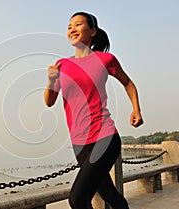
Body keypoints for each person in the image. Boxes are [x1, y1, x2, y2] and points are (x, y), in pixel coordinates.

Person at [44, 12, 143, 209]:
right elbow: (49, 101)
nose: (72, 29)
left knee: (77, 199)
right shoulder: (62, 65)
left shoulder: (105, 59)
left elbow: (128, 83)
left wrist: (136, 110)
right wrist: (51, 80)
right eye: (69, 26)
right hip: (79, 141)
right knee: (108, 193)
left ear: (92, 31)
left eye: (78, 24)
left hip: (104, 135)